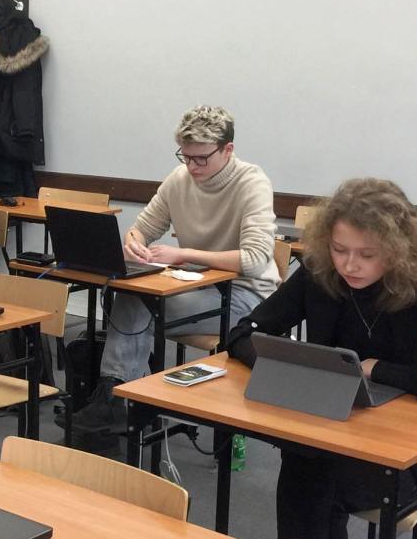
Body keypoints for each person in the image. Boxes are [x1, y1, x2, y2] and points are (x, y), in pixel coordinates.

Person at [62, 105, 279, 435]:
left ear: (228, 150)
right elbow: (142, 229)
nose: (192, 166)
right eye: (185, 156)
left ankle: (119, 399)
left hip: (246, 298)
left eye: (201, 158)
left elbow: (255, 258)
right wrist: (134, 243)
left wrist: (183, 254)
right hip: (198, 286)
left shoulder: (252, 183)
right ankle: (119, 396)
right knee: (135, 296)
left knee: (141, 304)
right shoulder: (179, 179)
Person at [225, 178, 417, 539]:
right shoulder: (320, 272)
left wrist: (378, 369)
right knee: (307, 462)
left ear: (398, 250)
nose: (349, 265)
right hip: (331, 429)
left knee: (311, 474)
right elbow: (242, 334)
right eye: (339, 249)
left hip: (403, 448)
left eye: (367, 255)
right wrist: (287, 362)